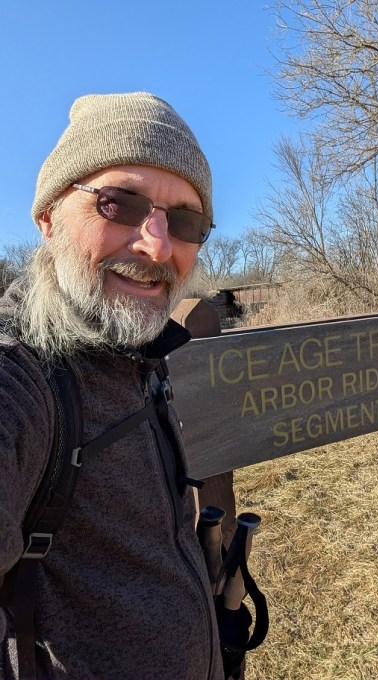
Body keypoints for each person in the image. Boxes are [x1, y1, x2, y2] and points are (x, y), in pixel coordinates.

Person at [0, 93, 222, 679]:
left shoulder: (137, 352)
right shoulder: (22, 374)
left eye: (186, 221)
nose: (156, 244)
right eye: (118, 203)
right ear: (48, 217)